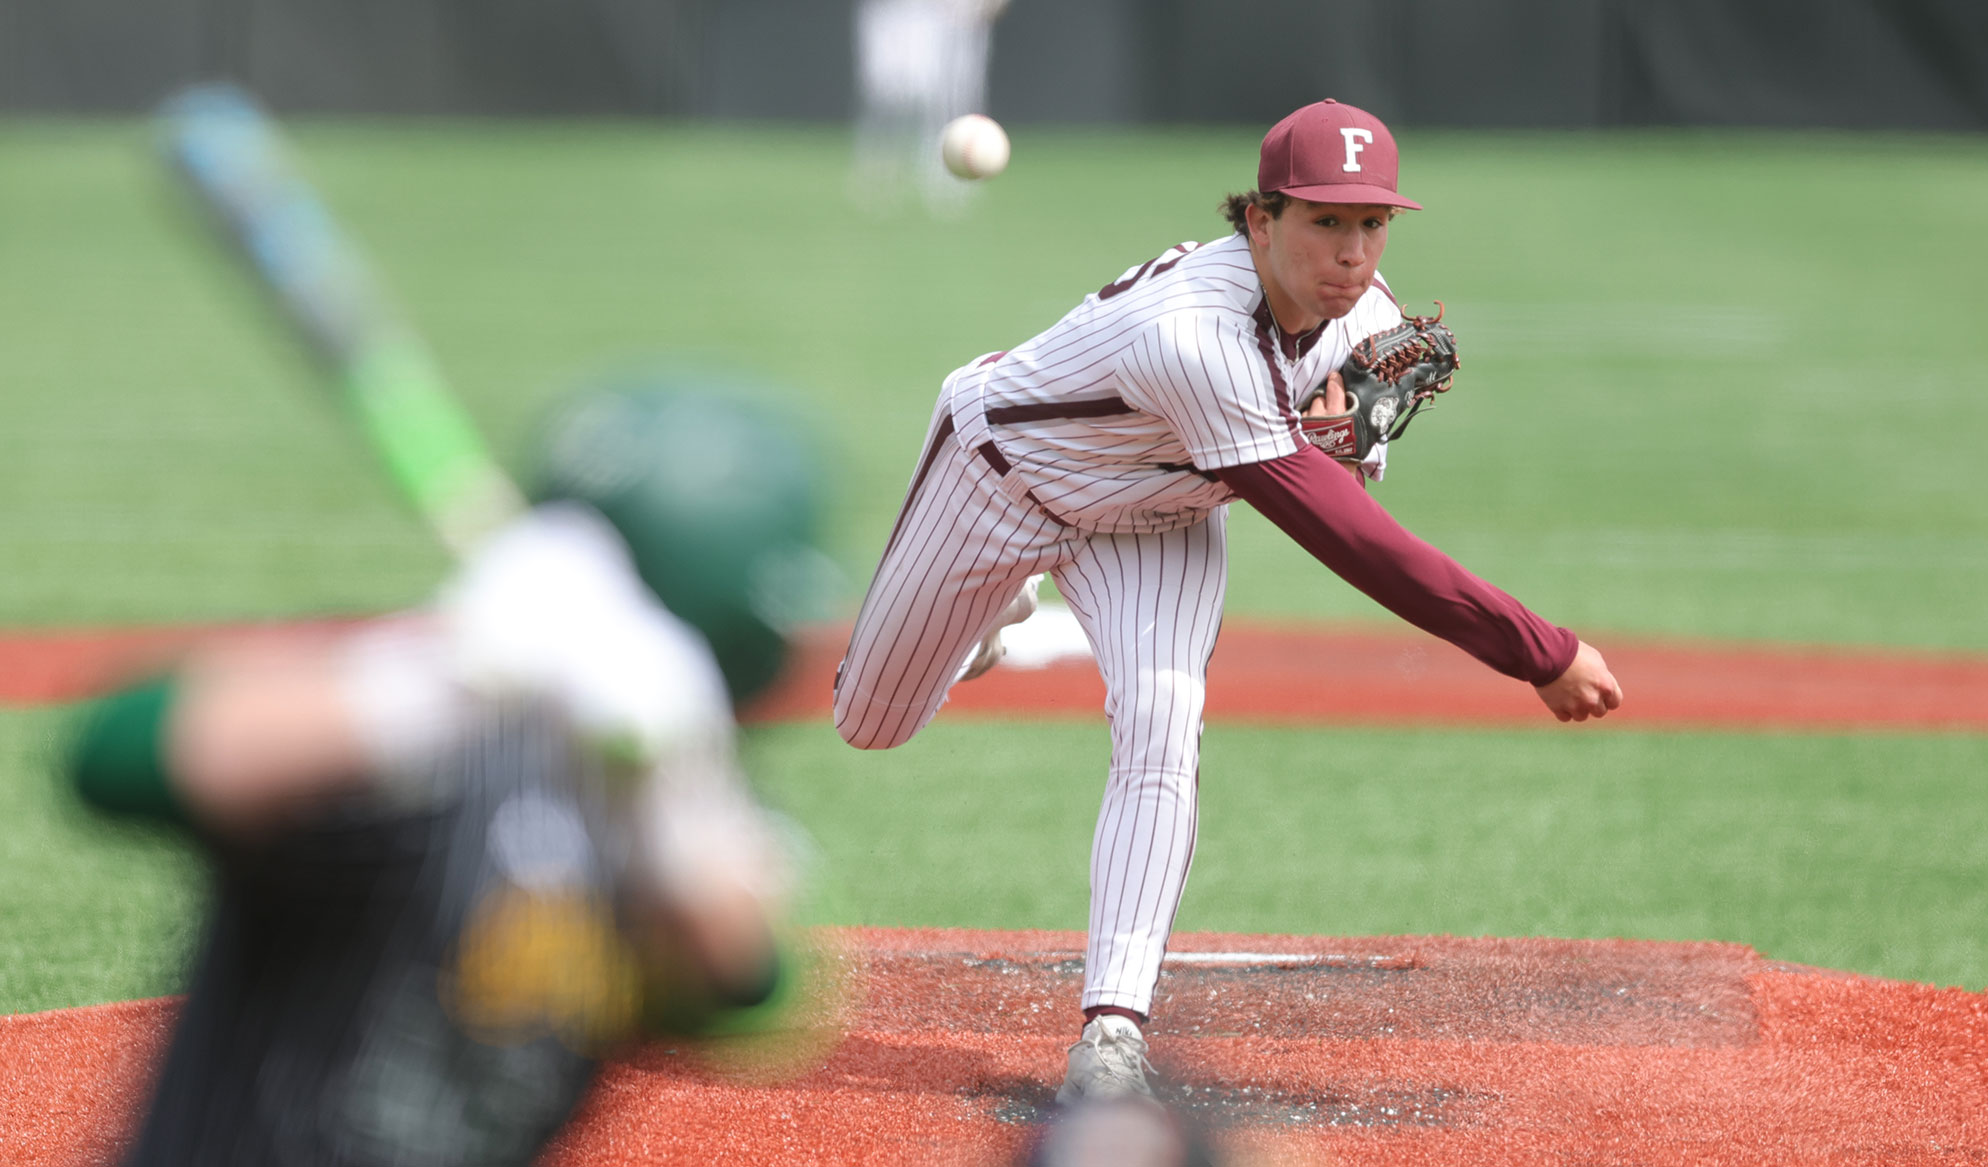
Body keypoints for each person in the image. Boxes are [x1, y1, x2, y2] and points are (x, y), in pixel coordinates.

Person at [832, 99, 1624, 1104]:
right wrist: (1538, 649)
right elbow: (1350, 538)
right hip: (1004, 476)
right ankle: (997, 605)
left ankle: (1112, 1029)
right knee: (870, 724)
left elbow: (1348, 458)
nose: (1351, 253)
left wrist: (1352, 439)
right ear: (1259, 219)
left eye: (1371, 223)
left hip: (1159, 518)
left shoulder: (1366, 316)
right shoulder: (1192, 336)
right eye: (1323, 222)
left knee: (1163, 722)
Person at [65, 381, 826, 1165]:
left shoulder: (655, 781)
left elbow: (745, 997)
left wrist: (675, 808)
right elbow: (115, 757)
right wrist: (441, 679)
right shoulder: (416, 759)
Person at [850, 0, 1011, 216]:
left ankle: (944, 181)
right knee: (890, 96)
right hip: (900, 14)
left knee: (954, 97)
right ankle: (879, 174)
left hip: (955, 19)